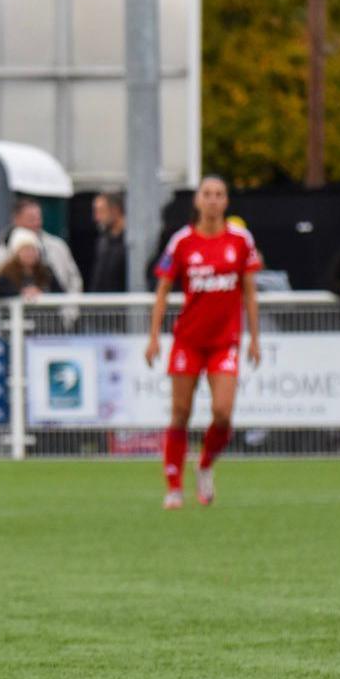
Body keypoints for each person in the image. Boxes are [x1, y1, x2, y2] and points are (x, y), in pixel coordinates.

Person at [144, 175, 262, 510]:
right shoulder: (181, 242)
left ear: (226, 201)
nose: (212, 200)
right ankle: (173, 486)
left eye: (219, 195)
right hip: (188, 340)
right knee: (180, 412)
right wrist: (153, 337)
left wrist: (254, 338)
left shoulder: (240, 240)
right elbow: (163, 291)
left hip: (225, 341)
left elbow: (250, 292)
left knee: (223, 414)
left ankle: (206, 464)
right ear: (197, 201)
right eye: (207, 194)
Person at [0, 198, 82, 295]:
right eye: (31, 219)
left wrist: (68, 308)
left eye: (38, 218)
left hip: (56, 309)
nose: (36, 223)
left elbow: (73, 281)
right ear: (16, 220)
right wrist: (20, 294)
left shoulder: (58, 247)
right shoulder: (1, 252)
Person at [0, 229, 61, 299]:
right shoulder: (8, 273)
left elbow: (60, 292)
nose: (30, 253)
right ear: (16, 254)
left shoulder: (46, 272)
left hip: (44, 315)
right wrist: (20, 292)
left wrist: (41, 292)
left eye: (33, 249)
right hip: (15, 315)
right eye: (25, 250)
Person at [89, 191, 130, 293]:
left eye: (101, 211)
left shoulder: (131, 243)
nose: (96, 218)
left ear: (115, 210)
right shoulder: (102, 241)